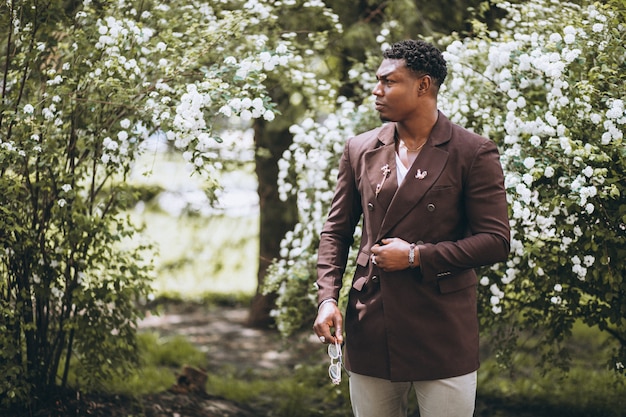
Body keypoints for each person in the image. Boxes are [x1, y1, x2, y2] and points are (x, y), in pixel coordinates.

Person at [312, 39, 510, 417]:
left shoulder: (472, 151)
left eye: (389, 81)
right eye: (377, 80)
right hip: (372, 320)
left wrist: (418, 255)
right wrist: (326, 299)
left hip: (442, 326)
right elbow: (336, 231)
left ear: (423, 86)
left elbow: (496, 242)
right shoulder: (360, 148)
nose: (376, 90)